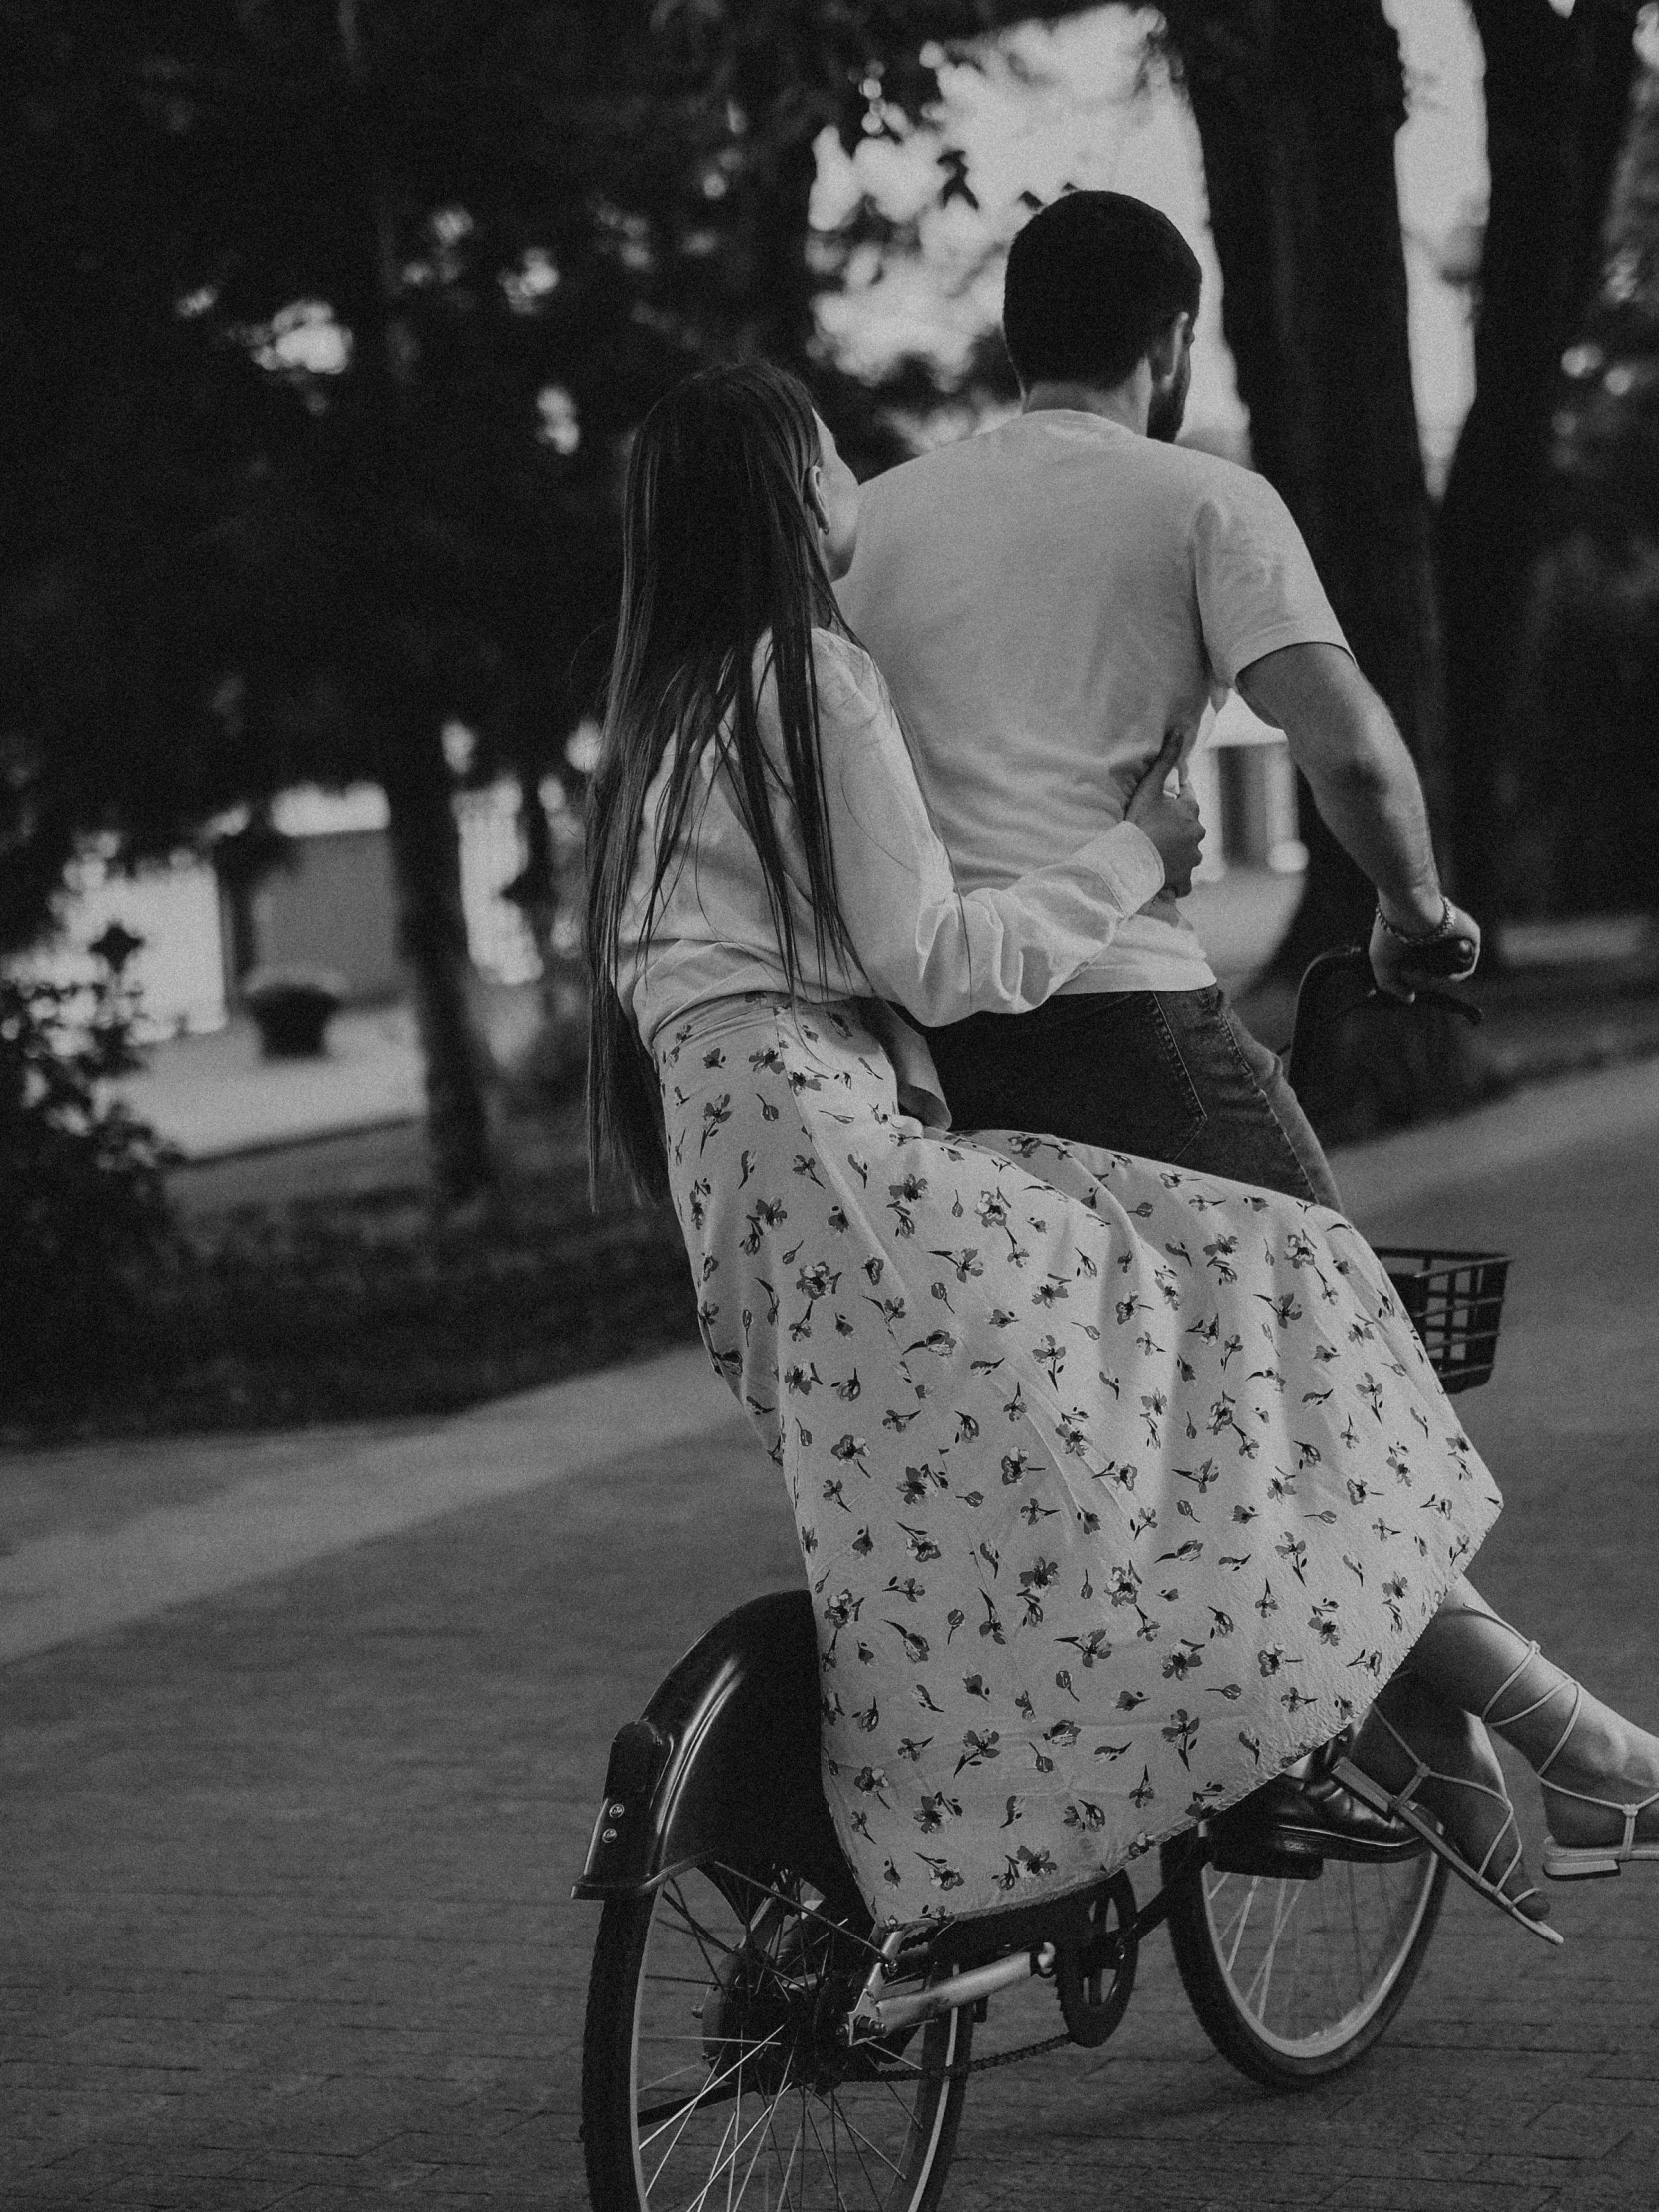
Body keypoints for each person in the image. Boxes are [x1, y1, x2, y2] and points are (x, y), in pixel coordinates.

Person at [585, 359, 1659, 1944]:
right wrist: (1132, 852)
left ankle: (1537, 1746)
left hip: (739, 1173)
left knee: (1092, 1451)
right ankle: (1540, 1740)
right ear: (782, 496)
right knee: (1252, 1275)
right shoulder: (808, 674)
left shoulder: (660, 720)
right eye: (825, 459)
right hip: (841, 1148)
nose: (849, 488)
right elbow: (939, 961)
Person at [836, 189, 1480, 1213]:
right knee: (1328, 1335)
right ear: (1173, 340)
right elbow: (1348, 747)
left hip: (929, 1046)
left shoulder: (866, 523)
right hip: (1123, 1008)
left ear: (1018, 340)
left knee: (1081, 1361)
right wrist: (1414, 909)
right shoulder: (1205, 500)